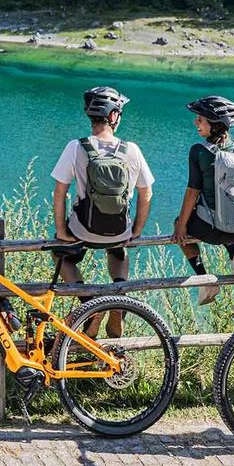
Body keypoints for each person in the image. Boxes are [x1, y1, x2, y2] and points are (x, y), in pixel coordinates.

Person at [50, 86, 155, 334]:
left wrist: (61, 230)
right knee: (118, 253)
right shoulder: (132, 150)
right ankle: (117, 303)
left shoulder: (76, 147)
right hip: (120, 230)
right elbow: (146, 193)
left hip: (83, 229)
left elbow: (60, 192)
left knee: (60, 254)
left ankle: (90, 307)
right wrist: (136, 230)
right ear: (113, 116)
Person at [173, 96, 234, 305]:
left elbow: (192, 191)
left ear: (214, 123)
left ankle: (204, 280)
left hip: (213, 231)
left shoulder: (199, 151)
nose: (196, 123)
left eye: (200, 119)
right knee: (222, 208)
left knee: (179, 222)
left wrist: (181, 226)